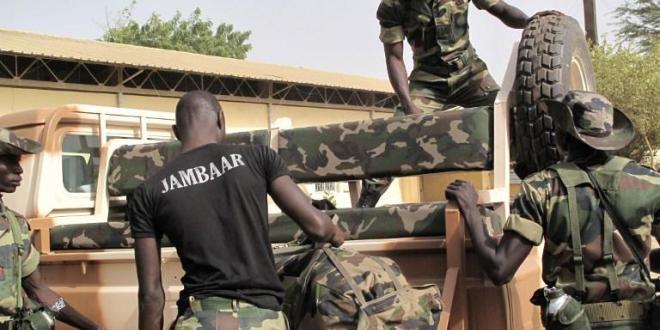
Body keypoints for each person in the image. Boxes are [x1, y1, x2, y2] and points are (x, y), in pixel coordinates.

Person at [127, 91, 346, 330]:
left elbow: (151, 296)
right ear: (221, 120)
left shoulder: (148, 191)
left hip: (201, 318)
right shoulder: (257, 157)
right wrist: (337, 234)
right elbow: (318, 227)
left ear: (176, 132)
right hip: (263, 318)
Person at [445, 91, 660, 329]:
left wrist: (471, 211)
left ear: (563, 135)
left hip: (573, 321)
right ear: (609, 137)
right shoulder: (650, 183)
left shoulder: (541, 187)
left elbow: (500, 269)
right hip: (641, 321)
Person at [357, 0, 531, 208]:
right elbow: (394, 57)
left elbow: (500, 9)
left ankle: (537, 192)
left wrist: (531, 22)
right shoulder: (393, 5)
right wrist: (408, 104)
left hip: (470, 74)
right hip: (428, 81)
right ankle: (365, 206)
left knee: (514, 119)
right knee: (395, 135)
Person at [0, 128, 101, 329]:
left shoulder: (15, 224)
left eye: (18, 162)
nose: (19, 170)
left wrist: (92, 327)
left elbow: (39, 291)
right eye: (10, 160)